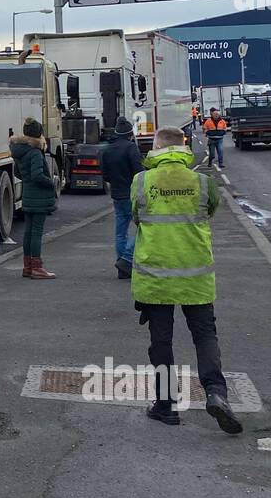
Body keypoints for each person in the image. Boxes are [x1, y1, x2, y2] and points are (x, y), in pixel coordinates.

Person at [131, 127, 242, 434]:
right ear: (183, 147)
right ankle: (217, 393)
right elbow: (211, 211)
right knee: (205, 336)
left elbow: (136, 217)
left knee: (161, 342)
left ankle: (166, 407)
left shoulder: (142, 181)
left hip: (156, 277)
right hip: (196, 276)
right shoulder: (203, 182)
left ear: (156, 147)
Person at [10, 117, 57, 280]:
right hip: (38, 196)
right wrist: (50, 183)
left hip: (28, 194)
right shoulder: (36, 152)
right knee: (37, 232)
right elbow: (38, 175)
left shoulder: (20, 150)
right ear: (39, 134)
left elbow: (17, 173)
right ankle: (37, 268)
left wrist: (27, 178)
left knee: (29, 232)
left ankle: (27, 266)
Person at [102, 116, 143, 279]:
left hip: (117, 194)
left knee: (120, 232)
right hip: (131, 194)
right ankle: (126, 259)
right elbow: (138, 172)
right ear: (129, 134)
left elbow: (105, 175)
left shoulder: (107, 149)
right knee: (145, 228)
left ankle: (122, 267)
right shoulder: (131, 148)